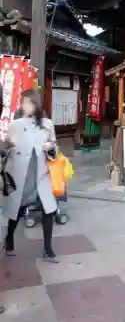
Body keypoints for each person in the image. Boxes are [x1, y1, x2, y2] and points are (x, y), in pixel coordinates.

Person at [2, 89, 59, 263]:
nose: (24, 105)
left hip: (40, 174)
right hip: (21, 175)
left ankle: (48, 249)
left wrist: (51, 148)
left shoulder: (47, 124)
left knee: (49, 209)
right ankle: (9, 238)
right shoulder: (16, 124)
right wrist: (9, 144)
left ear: (36, 104)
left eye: (28, 102)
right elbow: (6, 148)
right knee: (17, 210)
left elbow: (55, 149)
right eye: (22, 102)